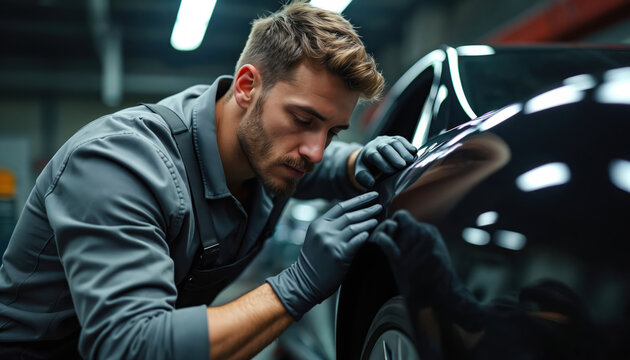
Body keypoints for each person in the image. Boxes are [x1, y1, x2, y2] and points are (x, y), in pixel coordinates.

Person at [0, 1, 419, 359]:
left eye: (332, 132)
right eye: (303, 119)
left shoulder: (268, 154)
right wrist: (298, 285)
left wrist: (358, 161)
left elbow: (321, 166)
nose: (315, 150)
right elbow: (130, 346)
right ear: (246, 87)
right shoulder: (118, 165)